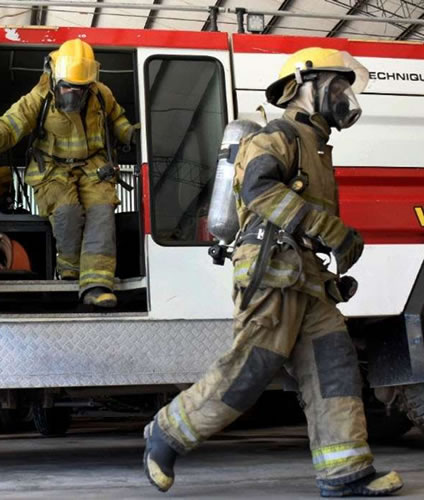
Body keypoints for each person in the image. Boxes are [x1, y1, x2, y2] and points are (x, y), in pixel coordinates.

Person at [143, 47, 404, 497]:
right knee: (251, 368)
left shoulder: (318, 148)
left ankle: (346, 473)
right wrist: (330, 229)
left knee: (334, 368)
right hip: (273, 271)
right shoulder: (275, 136)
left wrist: (337, 242)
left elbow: (305, 215)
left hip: (307, 277)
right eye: (336, 86)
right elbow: (259, 190)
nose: (344, 96)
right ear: (304, 87)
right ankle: (166, 434)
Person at [0, 39, 138, 308]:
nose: (73, 94)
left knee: (101, 214)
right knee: (67, 212)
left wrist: (131, 134)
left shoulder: (101, 94)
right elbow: (11, 124)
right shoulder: (39, 97)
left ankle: (97, 285)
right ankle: (70, 273)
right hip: (52, 170)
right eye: (67, 87)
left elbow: (118, 119)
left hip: (93, 168)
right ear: (55, 77)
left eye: (80, 89)